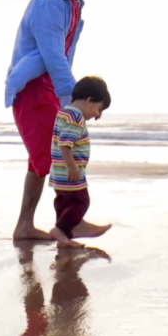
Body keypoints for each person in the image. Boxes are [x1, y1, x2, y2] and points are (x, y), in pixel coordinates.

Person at [4, 0, 113, 241]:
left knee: (40, 159)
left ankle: (25, 225)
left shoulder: (73, 4)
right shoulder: (50, 3)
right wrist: (75, 105)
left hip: (48, 87)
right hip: (33, 88)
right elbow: (54, 58)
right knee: (57, 156)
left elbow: (65, 57)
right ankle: (69, 223)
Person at [48, 77, 111, 248]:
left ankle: (64, 235)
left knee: (63, 202)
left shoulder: (64, 113)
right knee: (81, 201)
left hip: (58, 172)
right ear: (89, 100)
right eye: (99, 109)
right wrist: (72, 166)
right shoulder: (76, 117)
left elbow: (60, 140)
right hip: (69, 172)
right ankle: (61, 230)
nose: (98, 116)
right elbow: (65, 143)